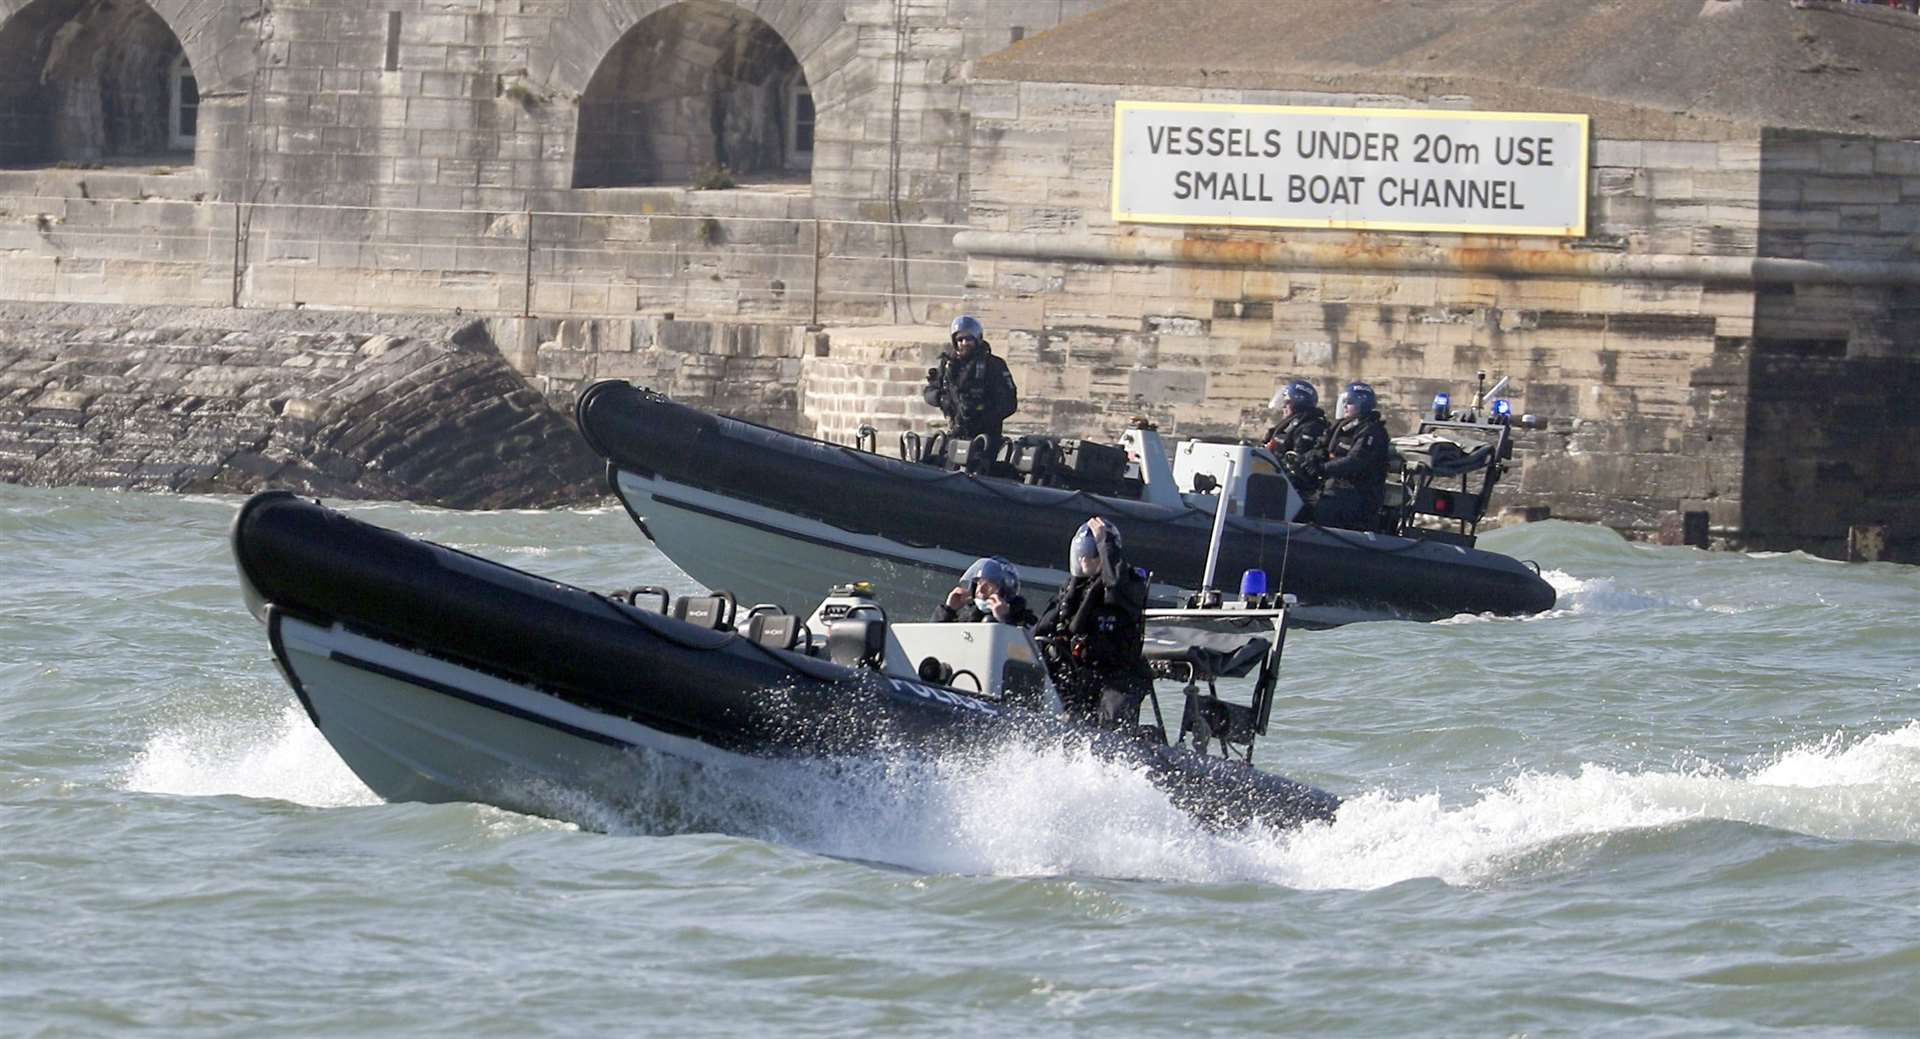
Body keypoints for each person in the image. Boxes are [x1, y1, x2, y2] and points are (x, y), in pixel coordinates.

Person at [1031, 517, 1154, 731]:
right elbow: (1043, 628)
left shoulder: (1128, 584)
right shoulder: (1074, 590)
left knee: (1111, 720)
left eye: (1091, 554)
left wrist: (1105, 542)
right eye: (1082, 555)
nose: (1084, 560)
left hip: (1121, 675)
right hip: (1084, 672)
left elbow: (1115, 584)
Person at [1307, 381, 1392, 531]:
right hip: (1333, 487)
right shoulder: (1340, 427)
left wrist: (1323, 468)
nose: (1345, 406)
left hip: (1357, 493)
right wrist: (1313, 457)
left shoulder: (1372, 431)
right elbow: (1321, 445)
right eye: (1345, 402)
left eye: (1350, 402)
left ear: (1363, 405)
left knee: (1323, 509)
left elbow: (1356, 460)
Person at [922, 315, 1019, 446]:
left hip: (985, 439)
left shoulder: (994, 365)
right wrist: (942, 399)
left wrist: (981, 413)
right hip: (955, 435)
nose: (964, 343)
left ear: (977, 339)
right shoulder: (948, 365)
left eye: (968, 339)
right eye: (959, 339)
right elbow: (930, 391)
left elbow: (1009, 402)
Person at [932, 556, 1038, 626]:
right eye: (978, 583)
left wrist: (1005, 621)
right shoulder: (967, 619)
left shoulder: (1026, 622)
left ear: (1005, 592)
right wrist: (948, 611)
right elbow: (931, 642)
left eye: (989, 586)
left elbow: (1025, 653)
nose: (981, 590)